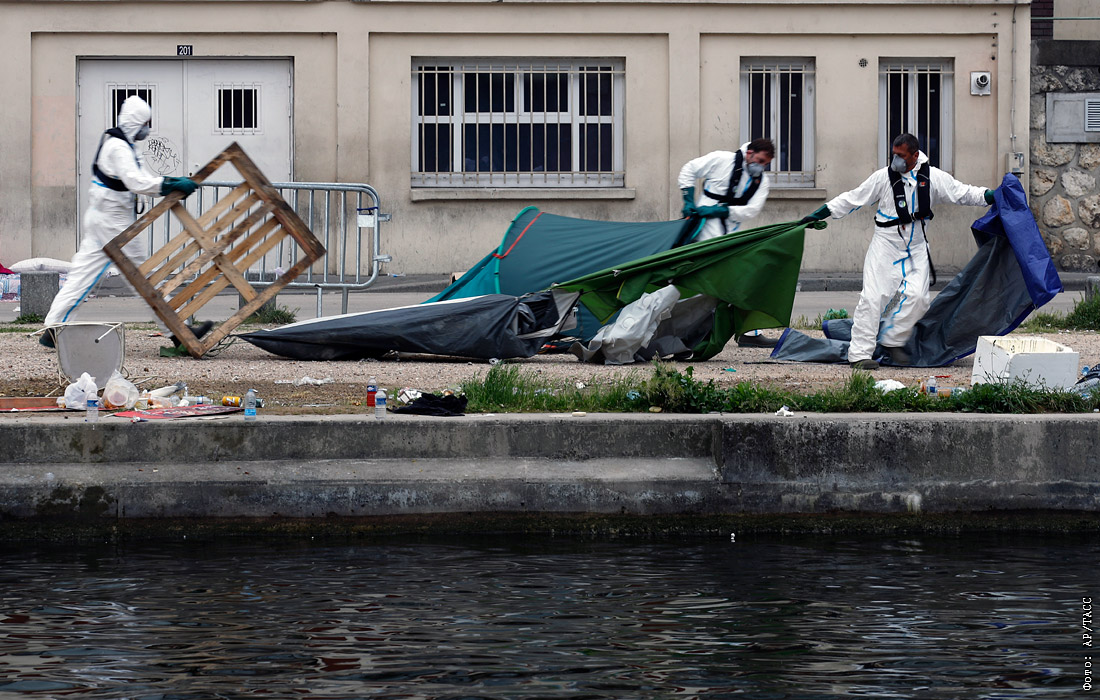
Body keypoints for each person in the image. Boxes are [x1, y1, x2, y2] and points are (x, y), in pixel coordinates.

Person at [799, 133, 995, 370]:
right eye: (894, 154)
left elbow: (962, 193)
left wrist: (990, 196)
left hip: (917, 248)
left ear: (915, 155)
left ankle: (892, 339)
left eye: (901, 155)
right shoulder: (883, 178)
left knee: (918, 298)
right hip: (886, 245)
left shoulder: (933, 178)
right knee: (872, 298)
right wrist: (822, 213)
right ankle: (860, 354)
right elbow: (853, 198)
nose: (896, 160)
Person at [42, 95, 209, 348]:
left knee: (82, 277)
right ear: (136, 122)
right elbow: (136, 182)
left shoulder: (122, 144)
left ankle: (53, 328)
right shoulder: (118, 148)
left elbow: (139, 178)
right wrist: (170, 184)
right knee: (144, 279)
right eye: (145, 123)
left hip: (103, 220)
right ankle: (179, 333)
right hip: (113, 225)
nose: (147, 129)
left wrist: (167, 182)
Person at [678, 137, 778, 348]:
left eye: (765, 164)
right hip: (702, 230)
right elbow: (689, 169)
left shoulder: (761, 182)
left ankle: (748, 332)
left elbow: (751, 210)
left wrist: (722, 211)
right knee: (704, 281)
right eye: (760, 161)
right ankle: (686, 329)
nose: (761, 167)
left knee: (739, 278)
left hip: (729, 235)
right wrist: (688, 200)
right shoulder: (721, 160)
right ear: (749, 153)